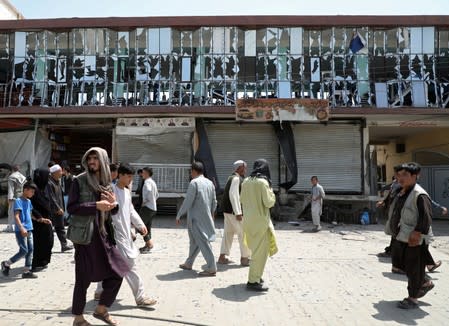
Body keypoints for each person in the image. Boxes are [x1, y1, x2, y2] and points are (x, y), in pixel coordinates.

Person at [67, 147, 130, 326]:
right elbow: (71, 208)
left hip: (103, 235)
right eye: (89, 159)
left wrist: (113, 204)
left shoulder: (106, 182)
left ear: (102, 161)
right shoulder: (78, 181)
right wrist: (96, 205)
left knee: (119, 271)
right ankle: (78, 318)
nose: (92, 162)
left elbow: (112, 209)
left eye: (95, 158)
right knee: (83, 279)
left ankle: (101, 309)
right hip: (85, 237)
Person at [94, 163, 157, 307]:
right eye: (128, 176)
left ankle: (99, 290)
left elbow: (131, 211)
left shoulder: (127, 192)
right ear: (120, 175)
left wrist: (140, 225)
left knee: (108, 264)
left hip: (125, 234)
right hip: (115, 235)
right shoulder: (111, 191)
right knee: (130, 265)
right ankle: (140, 297)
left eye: (131, 177)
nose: (130, 179)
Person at [386, 162, 434, 309]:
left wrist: (417, 233)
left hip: (414, 239)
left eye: (405, 175)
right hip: (402, 236)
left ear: (415, 176)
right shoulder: (402, 191)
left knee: (413, 268)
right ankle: (424, 280)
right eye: (399, 175)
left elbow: (426, 217)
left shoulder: (419, 195)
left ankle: (413, 298)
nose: (400, 178)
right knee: (399, 264)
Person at [240, 159, 278, 292]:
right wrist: (272, 192)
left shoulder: (245, 181)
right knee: (259, 253)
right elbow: (269, 202)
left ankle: (257, 276)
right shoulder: (263, 183)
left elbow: (242, 200)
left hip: (248, 222)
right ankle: (252, 281)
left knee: (256, 251)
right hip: (260, 222)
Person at [176, 161, 217, 277]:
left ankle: (211, 267)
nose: (191, 174)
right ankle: (189, 263)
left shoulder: (194, 183)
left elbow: (188, 201)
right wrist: (212, 214)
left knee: (203, 242)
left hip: (195, 218)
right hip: (206, 217)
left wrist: (179, 214)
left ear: (194, 171)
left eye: (191, 171)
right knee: (195, 242)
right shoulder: (210, 183)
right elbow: (214, 201)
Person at [1, 181, 39, 279]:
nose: (33, 194)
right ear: (25, 190)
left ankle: (26, 271)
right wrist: (22, 228)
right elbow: (16, 216)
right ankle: (6, 263)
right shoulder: (18, 201)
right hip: (21, 230)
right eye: (32, 191)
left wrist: (40, 219)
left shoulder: (29, 201)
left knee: (30, 250)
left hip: (29, 229)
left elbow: (29, 214)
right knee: (24, 250)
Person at [217, 160, 251, 266]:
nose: (245, 169)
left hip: (228, 212)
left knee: (228, 233)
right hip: (233, 212)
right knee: (243, 234)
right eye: (244, 167)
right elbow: (234, 195)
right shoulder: (236, 179)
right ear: (240, 167)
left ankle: (222, 257)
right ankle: (245, 258)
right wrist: (238, 212)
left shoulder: (231, 177)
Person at [30, 168, 54, 272]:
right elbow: (31, 206)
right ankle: (36, 263)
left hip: (46, 220)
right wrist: (39, 217)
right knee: (39, 242)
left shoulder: (43, 187)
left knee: (48, 241)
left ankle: (43, 260)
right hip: (38, 221)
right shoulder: (33, 188)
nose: (48, 178)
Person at [48, 164, 73, 252]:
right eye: (59, 172)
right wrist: (58, 208)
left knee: (60, 227)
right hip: (55, 210)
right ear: (54, 173)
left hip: (60, 209)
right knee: (55, 228)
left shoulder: (56, 181)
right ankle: (56, 245)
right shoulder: (49, 183)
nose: (61, 173)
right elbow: (52, 198)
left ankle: (64, 244)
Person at [139, 167, 159, 254]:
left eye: (143, 172)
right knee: (147, 227)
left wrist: (145, 201)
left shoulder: (147, 182)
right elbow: (157, 195)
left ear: (147, 173)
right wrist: (152, 200)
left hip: (147, 207)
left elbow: (148, 190)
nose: (142, 174)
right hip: (153, 208)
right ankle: (147, 245)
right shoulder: (153, 182)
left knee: (140, 226)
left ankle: (149, 244)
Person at [6, 165, 27, 232]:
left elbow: (11, 188)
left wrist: (10, 197)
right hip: (21, 196)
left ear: (12, 170)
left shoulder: (11, 177)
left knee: (11, 212)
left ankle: (10, 227)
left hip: (14, 197)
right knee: (21, 212)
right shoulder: (23, 177)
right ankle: (20, 226)